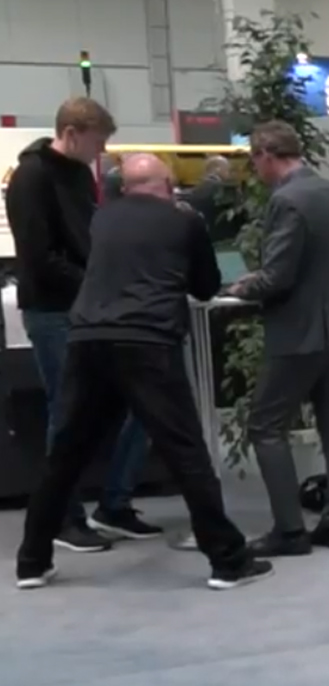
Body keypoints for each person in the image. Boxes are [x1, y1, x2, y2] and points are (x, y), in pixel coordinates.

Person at [15, 154, 270, 591]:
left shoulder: (101, 220)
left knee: (67, 453)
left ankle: (32, 562)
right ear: (167, 184)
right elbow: (205, 287)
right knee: (186, 452)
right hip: (148, 340)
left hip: (88, 338)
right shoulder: (184, 221)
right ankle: (229, 561)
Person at [4, 96, 158, 549]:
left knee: (139, 400)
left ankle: (114, 503)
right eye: (97, 141)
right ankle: (64, 517)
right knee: (68, 413)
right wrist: (95, 280)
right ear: (71, 134)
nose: (101, 151)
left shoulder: (75, 174)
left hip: (92, 306)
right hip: (54, 310)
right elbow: (38, 257)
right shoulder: (31, 177)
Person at [222, 121, 329, 557]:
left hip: (299, 331)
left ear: (266, 154)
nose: (255, 170)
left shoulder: (287, 201)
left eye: (254, 161)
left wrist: (243, 287)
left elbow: (279, 276)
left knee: (266, 426)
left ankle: (289, 531)